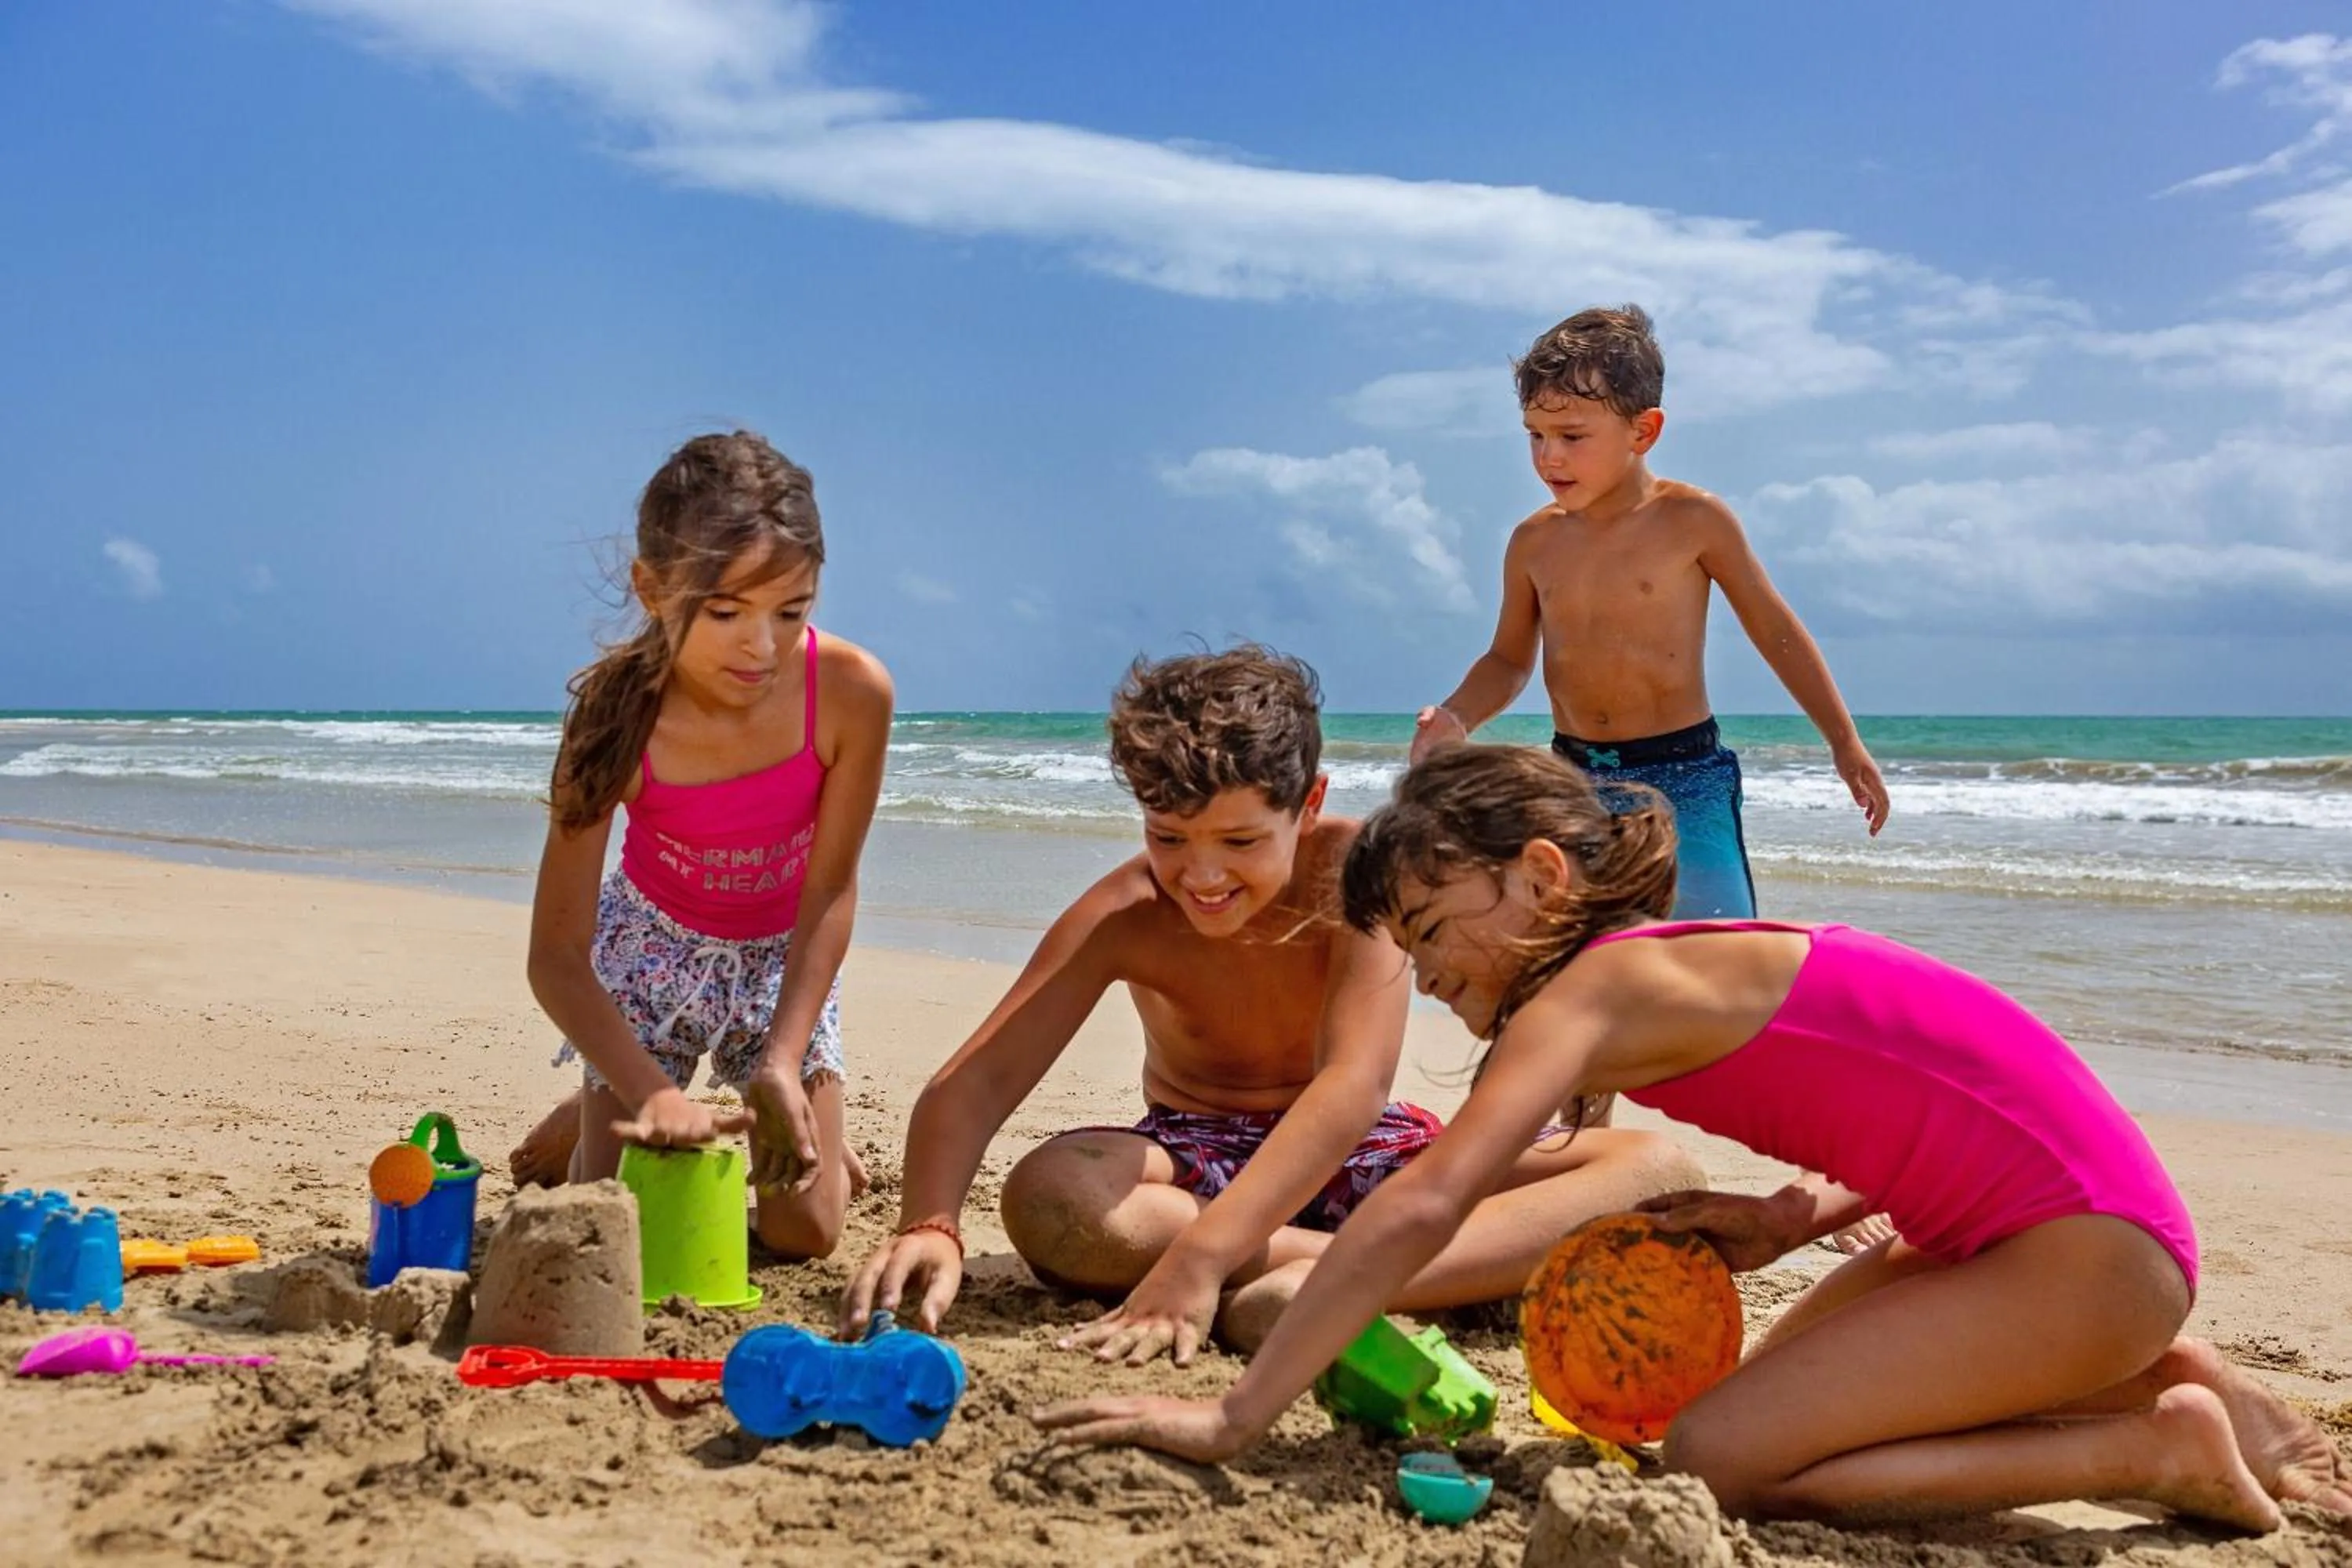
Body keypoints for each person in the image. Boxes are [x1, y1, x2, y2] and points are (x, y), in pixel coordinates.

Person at [1035, 745, 2350, 1533]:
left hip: (2078, 1252)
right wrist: (1792, 1222)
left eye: (1436, 931)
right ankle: (2190, 1381)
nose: (1426, 976)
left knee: (1726, 1458)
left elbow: (1425, 1204)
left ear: (1541, 878)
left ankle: (2152, 1445)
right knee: (1783, 1395)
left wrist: (1234, 1417)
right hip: (2040, 1232)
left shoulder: (1588, 992)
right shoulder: (1654, 972)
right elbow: (1928, 1091)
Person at [838, 648, 1700, 1364]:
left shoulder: (1361, 871)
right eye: (1168, 838)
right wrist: (933, 1221)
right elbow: (977, 1079)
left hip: (1365, 1149)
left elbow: (1354, 1086)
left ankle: (1324, 1274)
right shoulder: (1127, 914)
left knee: (1657, 1170)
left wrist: (1204, 1257)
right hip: (1200, 1156)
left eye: (1241, 841)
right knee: (1053, 1196)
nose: (1201, 876)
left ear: (1310, 802)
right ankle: (1416, 1271)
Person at [510, 430, 892, 1260]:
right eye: (726, 612)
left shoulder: (853, 692)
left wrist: (785, 1061)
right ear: (652, 588)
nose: (762, 646)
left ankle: (772, 1113)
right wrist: (650, 1093)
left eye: (792, 611)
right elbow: (557, 955)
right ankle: (595, 1111)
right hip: (653, 951)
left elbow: (829, 890)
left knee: (809, 1230)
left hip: (778, 961)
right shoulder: (617, 716)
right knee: (608, 1217)